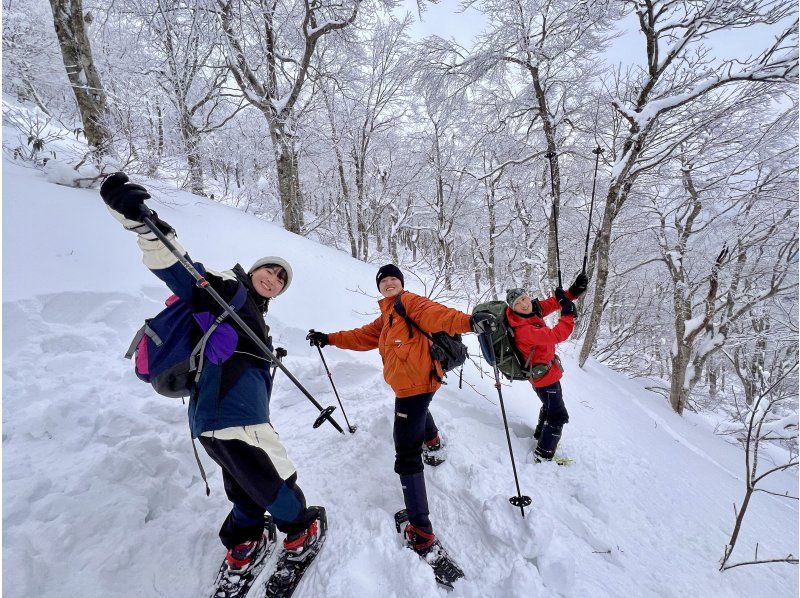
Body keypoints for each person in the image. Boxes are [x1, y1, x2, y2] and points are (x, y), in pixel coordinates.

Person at [99, 172, 323, 580]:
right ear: (255, 271)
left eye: (280, 280)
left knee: (242, 481)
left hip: (221, 411)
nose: (273, 279)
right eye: (269, 271)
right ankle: (299, 527)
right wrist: (141, 222)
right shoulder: (226, 286)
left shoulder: (251, 311)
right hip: (231, 409)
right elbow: (182, 270)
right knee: (274, 475)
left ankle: (244, 539)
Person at [306, 264, 493, 555]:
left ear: (401, 284)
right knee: (419, 411)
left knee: (406, 455)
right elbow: (360, 336)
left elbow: (438, 315)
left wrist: (469, 323)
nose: (390, 283)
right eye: (384, 280)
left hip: (414, 388)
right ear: (379, 287)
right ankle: (432, 442)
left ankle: (421, 532)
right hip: (417, 386)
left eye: (394, 279)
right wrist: (328, 338)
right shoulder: (388, 316)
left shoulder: (410, 303)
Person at [504, 273, 588, 462]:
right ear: (512, 308)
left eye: (524, 298)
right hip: (544, 378)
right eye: (518, 303)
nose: (524, 304)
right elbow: (557, 334)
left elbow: (551, 304)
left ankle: (540, 437)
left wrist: (571, 292)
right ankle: (543, 454)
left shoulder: (528, 312)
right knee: (558, 415)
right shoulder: (524, 330)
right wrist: (568, 314)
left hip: (544, 374)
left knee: (550, 407)